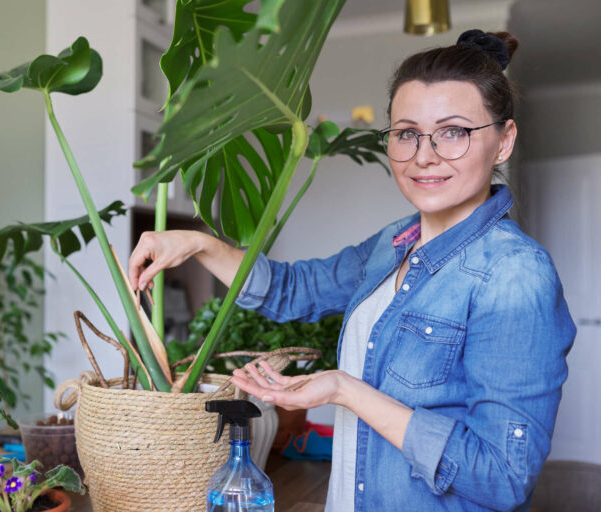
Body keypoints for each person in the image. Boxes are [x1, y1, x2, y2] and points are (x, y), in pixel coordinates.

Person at [128, 30, 575, 511]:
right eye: (407, 133)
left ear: (503, 141)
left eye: (453, 132)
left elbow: (502, 477)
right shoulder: (392, 244)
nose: (425, 156)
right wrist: (198, 244)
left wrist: (346, 390)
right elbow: (289, 289)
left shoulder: (514, 274)